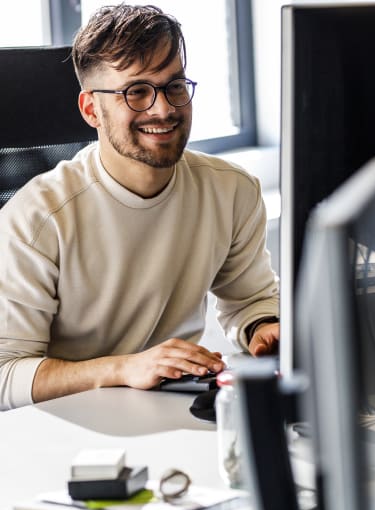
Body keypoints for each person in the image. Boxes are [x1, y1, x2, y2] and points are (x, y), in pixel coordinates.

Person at [0, 4, 279, 411]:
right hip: (68, 427)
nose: (163, 109)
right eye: (137, 92)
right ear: (91, 110)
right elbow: (5, 374)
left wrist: (264, 328)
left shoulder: (232, 191)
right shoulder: (37, 220)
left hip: (172, 412)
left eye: (174, 85)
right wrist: (122, 369)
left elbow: (250, 299)